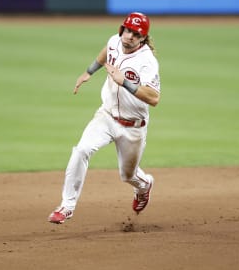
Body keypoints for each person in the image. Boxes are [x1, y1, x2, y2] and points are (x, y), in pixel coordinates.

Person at [48, 12, 161, 224]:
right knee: (81, 149)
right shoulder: (114, 41)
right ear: (122, 30)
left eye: (136, 34)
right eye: (127, 31)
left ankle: (144, 186)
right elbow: (105, 53)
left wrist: (124, 82)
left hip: (133, 127)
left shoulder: (148, 62)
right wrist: (88, 72)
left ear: (143, 38)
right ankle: (67, 206)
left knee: (127, 176)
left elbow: (154, 98)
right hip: (106, 116)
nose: (129, 36)